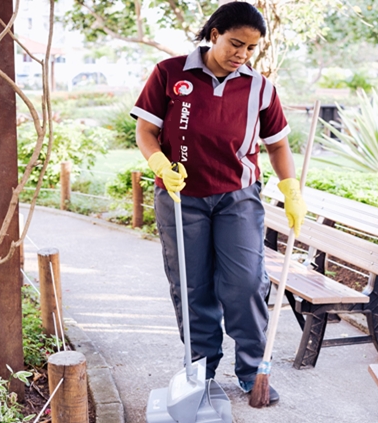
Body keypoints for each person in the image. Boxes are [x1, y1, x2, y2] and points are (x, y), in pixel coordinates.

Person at [130, 2, 305, 404]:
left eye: (250, 48)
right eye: (235, 43)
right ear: (214, 35)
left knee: (245, 283)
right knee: (192, 286)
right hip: (181, 198)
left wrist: (291, 189)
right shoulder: (170, 73)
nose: (242, 54)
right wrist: (158, 162)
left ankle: (250, 371)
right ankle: (201, 369)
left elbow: (277, 145)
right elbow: (145, 130)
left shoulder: (259, 87)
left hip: (237, 198)